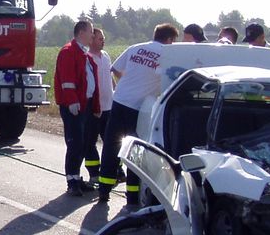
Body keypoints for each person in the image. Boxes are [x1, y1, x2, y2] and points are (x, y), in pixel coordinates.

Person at [97, 23, 180, 208]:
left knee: (111, 146)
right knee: (135, 150)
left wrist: (129, 83)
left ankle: (103, 190)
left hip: (119, 102)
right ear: (169, 39)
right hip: (138, 109)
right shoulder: (166, 55)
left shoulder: (136, 48)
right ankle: (132, 197)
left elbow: (115, 69)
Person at [53, 20, 101, 196]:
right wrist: (72, 101)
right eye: (91, 31)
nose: (93, 35)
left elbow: (89, 80)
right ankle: (72, 180)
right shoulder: (68, 51)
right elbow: (67, 80)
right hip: (74, 106)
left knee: (84, 142)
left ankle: (77, 178)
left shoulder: (84, 54)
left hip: (85, 105)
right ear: (81, 32)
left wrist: (95, 105)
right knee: (75, 143)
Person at [83, 27, 114, 188]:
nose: (103, 41)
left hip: (109, 107)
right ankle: (94, 173)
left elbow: (110, 79)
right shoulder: (87, 58)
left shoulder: (106, 56)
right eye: (100, 38)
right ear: (92, 40)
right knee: (90, 141)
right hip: (94, 108)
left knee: (112, 141)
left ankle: (116, 172)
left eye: (104, 38)